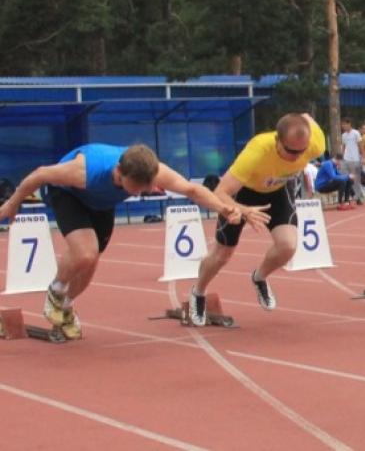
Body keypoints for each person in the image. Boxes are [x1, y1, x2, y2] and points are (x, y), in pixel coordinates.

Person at [0, 143, 255, 339]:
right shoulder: (84, 171)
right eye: (133, 188)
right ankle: (55, 291)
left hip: (102, 204)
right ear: (118, 172)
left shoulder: (155, 171)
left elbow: (192, 190)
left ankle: (65, 306)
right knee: (85, 252)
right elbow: (40, 174)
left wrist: (223, 208)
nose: (137, 194)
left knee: (91, 262)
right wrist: (13, 203)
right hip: (69, 196)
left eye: (143, 189)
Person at [191, 113, 326, 326]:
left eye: (301, 151)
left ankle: (259, 277)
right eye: (290, 151)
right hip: (242, 193)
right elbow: (220, 193)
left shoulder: (315, 144)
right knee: (223, 253)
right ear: (277, 140)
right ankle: (198, 292)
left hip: (278, 190)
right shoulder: (258, 150)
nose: (295, 157)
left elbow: (307, 116)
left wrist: (302, 118)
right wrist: (244, 211)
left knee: (288, 246)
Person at [340, 118, 365, 205]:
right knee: (346, 178)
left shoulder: (356, 133)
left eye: (344, 124)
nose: (343, 126)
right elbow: (343, 147)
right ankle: (349, 196)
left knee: (356, 180)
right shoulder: (343, 135)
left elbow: (360, 145)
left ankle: (358, 197)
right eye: (342, 125)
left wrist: (363, 157)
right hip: (346, 159)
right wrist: (341, 158)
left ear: (349, 124)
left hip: (355, 159)